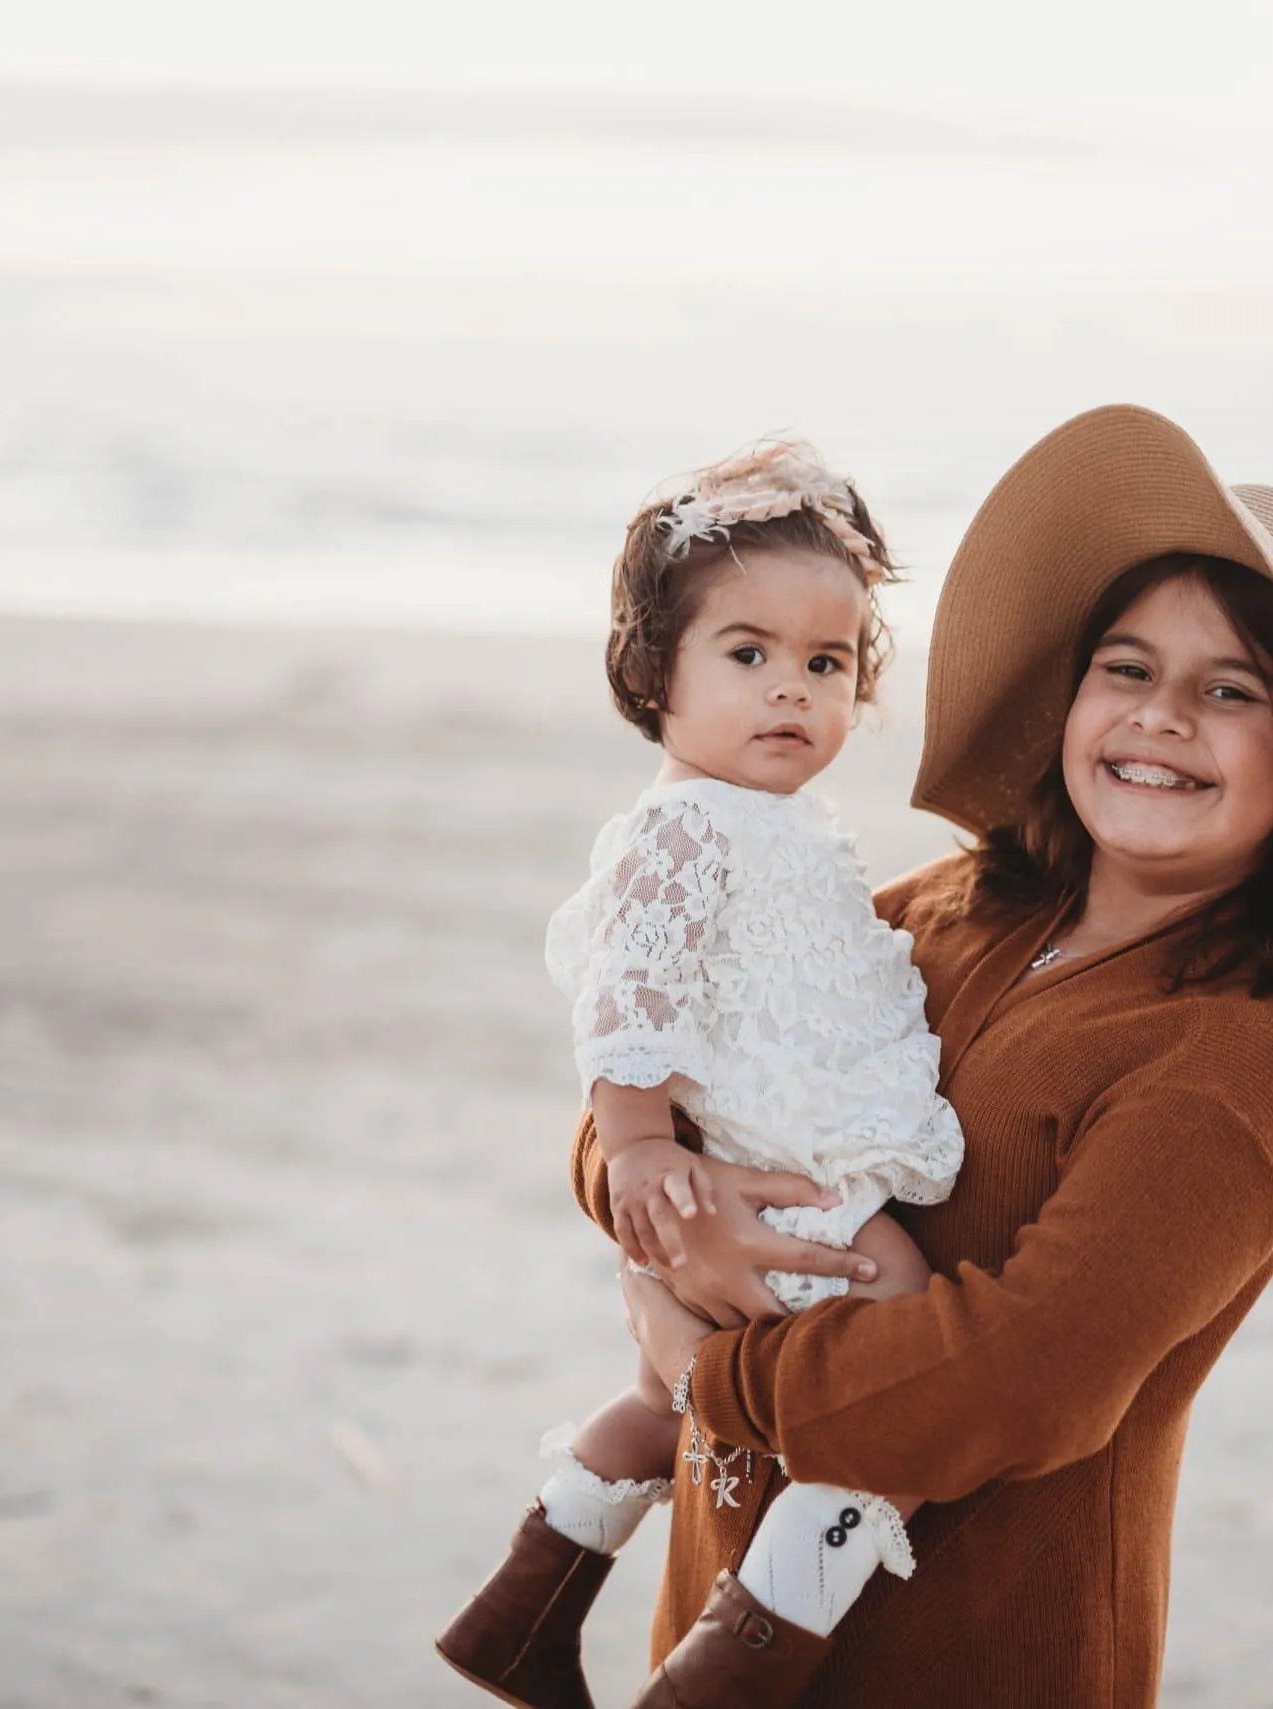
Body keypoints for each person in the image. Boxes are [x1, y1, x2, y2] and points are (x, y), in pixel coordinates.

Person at [590, 405, 1273, 1707]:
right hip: (715, 1629)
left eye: (1230, 690)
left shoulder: (1246, 1052)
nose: (1162, 717)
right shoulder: (961, 898)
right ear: (1071, 694)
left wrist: (705, 1362)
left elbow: (1021, 1376)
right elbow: (669, 1050)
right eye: (1127, 667)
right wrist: (649, 1197)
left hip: (973, 1656)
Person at [436, 442, 965, 1709]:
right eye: (748, 654)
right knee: (904, 1347)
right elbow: (630, 989)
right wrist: (636, 1147)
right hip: (775, 1165)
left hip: (768, 1144)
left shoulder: (768, 821)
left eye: (825, 664)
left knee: (661, 1396)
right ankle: (730, 1669)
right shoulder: (686, 824)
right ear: (651, 672)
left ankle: (526, 1602)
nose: (791, 690)